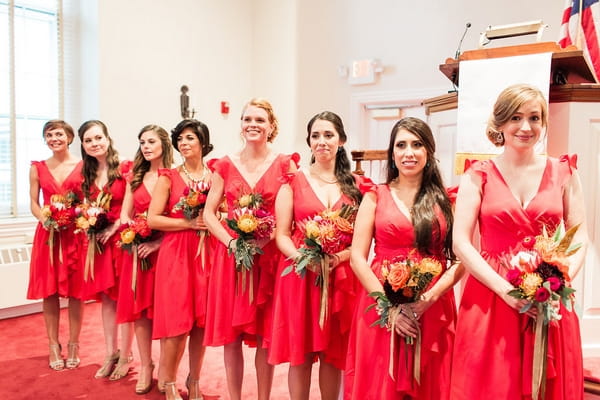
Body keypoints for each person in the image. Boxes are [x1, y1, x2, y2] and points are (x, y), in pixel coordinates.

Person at [449, 84, 588, 399]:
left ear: (543, 123)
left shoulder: (565, 171)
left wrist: (560, 281)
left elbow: (579, 235)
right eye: (515, 118)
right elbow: (461, 243)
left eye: (534, 118)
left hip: (548, 295)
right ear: (499, 124)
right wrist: (505, 291)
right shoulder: (476, 175)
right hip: (491, 298)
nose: (526, 127)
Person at [344, 116, 462, 399]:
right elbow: (357, 258)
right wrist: (390, 309)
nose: (409, 152)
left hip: (433, 306)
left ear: (429, 152)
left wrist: (427, 300)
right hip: (381, 303)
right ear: (392, 153)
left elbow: (460, 260)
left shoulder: (448, 200)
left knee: (431, 383)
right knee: (381, 381)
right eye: (401, 145)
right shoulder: (375, 196)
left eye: (417, 144)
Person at [203, 98, 299, 400]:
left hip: (269, 257)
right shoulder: (225, 164)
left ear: (271, 126)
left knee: (265, 335)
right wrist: (231, 241)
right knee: (231, 337)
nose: (252, 125)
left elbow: (291, 215)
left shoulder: (285, 164)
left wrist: (266, 238)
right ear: (241, 125)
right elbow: (208, 213)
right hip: (232, 257)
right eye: (247, 119)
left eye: (259, 120)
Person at [269, 111, 366, 400]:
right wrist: (304, 257)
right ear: (309, 142)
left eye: (328, 135)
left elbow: (362, 240)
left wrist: (340, 257)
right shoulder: (292, 181)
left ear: (342, 140)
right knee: (300, 354)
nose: (322, 141)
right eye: (316, 136)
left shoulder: (357, 186)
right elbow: (281, 234)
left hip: (342, 278)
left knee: (332, 355)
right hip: (301, 275)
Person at [148, 119, 213, 400]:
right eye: (180, 139)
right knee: (176, 321)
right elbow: (153, 219)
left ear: (202, 142)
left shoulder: (216, 174)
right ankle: (170, 381)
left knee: (202, 321)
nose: (184, 143)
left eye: (190, 138)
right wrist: (188, 224)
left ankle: (195, 379)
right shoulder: (168, 177)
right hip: (176, 254)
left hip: (207, 254)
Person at [115, 125, 173, 394]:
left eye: (151, 141)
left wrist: (158, 241)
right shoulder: (134, 178)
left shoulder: (172, 176)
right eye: (142, 142)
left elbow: (175, 219)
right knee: (139, 311)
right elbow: (125, 214)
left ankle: (164, 367)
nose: (146, 147)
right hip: (137, 253)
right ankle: (145, 364)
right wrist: (134, 231)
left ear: (163, 144)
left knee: (163, 311)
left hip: (165, 252)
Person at [78, 120, 135, 380]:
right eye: (89, 140)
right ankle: (110, 352)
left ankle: (126, 355)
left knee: (125, 298)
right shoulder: (86, 173)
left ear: (108, 138)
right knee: (107, 300)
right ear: (83, 145)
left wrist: (114, 227)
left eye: (98, 137)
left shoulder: (125, 167)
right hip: (99, 242)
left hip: (121, 238)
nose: (95, 143)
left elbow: (135, 204)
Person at [27, 120, 84, 371]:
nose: (54, 138)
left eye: (59, 134)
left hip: (74, 234)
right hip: (49, 235)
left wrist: (78, 218)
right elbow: (34, 202)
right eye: (49, 135)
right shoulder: (37, 168)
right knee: (49, 291)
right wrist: (46, 220)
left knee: (76, 292)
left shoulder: (83, 167)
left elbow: (88, 200)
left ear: (70, 137)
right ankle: (52, 344)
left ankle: (73, 343)